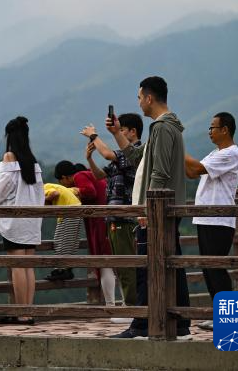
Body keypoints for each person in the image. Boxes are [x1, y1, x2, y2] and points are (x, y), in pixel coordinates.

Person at [110, 76, 191, 339]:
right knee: (171, 265)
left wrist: (147, 208)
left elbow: (160, 171)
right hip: (164, 208)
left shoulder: (163, 128)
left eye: (139, 97)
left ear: (148, 97)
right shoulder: (165, 128)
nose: (138, 103)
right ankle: (179, 324)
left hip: (158, 210)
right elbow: (136, 156)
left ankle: (142, 325)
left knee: (148, 269)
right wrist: (116, 134)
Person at [82, 112, 144, 321]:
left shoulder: (134, 152)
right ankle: (130, 306)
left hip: (125, 217)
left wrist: (94, 136)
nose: (119, 134)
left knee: (126, 264)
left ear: (132, 132)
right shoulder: (124, 156)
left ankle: (131, 308)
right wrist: (89, 158)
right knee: (121, 263)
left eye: (121, 130)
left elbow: (108, 154)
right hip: (115, 217)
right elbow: (101, 175)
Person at [184, 112, 238, 331]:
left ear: (225, 130)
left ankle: (229, 318)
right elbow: (192, 172)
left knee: (216, 268)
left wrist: (175, 144)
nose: (209, 131)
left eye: (213, 128)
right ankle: (221, 316)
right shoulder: (215, 153)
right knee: (209, 269)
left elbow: (197, 168)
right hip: (206, 218)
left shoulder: (232, 153)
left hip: (218, 219)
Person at [0, 116, 45, 325]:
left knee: (17, 265)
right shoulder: (33, 161)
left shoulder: (10, 157)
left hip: (14, 220)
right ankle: (28, 311)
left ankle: (21, 313)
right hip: (31, 220)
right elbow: (40, 194)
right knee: (28, 265)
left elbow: (2, 190)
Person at [54, 159, 118, 312]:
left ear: (65, 177)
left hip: (100, 222)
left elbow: (90, 192)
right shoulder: (90, 173)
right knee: (115, 262)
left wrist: (72, 191)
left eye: (62, 182)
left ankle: (111, 306)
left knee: (104, 262)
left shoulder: (80, 176)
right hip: (109, 220)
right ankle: (122, 305)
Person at [43, 179, 81, 282]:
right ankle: (67, 269)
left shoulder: (44, 188)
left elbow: (55, 194)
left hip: (68, 212)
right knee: (70, 241)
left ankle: (60, 270)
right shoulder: (57, 186)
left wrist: (43, 199)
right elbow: (76, 190)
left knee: (61, 241)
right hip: (77, 209)